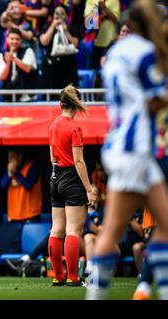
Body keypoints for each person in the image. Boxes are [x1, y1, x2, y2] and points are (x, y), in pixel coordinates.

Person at [86, 0, 168, 300]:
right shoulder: (145, 54)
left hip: (123, 144)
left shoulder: (115, 52)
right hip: (135, 148)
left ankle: (151, 289)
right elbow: (156, 100)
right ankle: (96, 296)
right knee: (110, 231)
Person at [48, 84, 96, 287]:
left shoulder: (53, 124)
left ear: (60, 104)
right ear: (77, 105)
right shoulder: (75, 127)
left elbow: (52, 157)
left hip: (55, 176)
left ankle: (58, 276)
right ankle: (73, 278)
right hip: (72, 178)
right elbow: (78, 161)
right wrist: (89, 189)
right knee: (73, 230)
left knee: (56, 230)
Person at [39, 4, 79, 90]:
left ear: (67, 16)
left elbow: (75, 44)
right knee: (51, 99)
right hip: (51, 68)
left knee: (69, 98)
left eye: (62, 13)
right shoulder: (46, 27)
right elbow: (44, 42)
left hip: (69, 68)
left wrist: (66, 32)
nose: (59, 16)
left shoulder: (71, 28)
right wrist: (53, 26)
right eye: (57, 13)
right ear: (52, 16)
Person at [0, 150, 42, 223]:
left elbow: (29, 185)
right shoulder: (9, 169)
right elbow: (2, 186)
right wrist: (9, 175)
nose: (10, 160)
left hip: (31, 215)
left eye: (12, 157)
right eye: (9, 158)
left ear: (20, 157)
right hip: (14, 216)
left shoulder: (31, 166)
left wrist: (16, 173)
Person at [0, 28, 38, 102]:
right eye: (12, 39)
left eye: (17, 39)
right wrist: (8, 62)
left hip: (27, 97)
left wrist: (14, 58)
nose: (14, 41)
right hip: (8, 96)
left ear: (21, 40)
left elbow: (27, 69)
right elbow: (2, 77)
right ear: (7, 39)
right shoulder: (1, 55)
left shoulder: (28, 51)